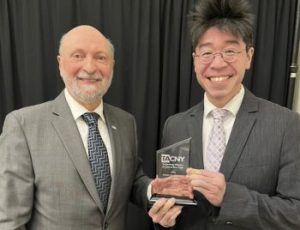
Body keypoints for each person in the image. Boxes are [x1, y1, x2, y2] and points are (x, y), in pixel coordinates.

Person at [0, 25, 178, 229]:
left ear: (112, 65)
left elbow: (131, 180)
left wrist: (152, 190)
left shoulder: (125, 122)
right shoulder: (24, 125)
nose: (90, 67)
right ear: (60, 63)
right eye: (78, 56)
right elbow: (10, 221)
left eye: (100, 57)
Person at [154, 0, 300, 229]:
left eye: (230, 51)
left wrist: (229, 197)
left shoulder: (286, 125)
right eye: (207, 52)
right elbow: (172, 203)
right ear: (195, 60)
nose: (218, 63)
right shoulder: (175, 126)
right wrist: (164, 220)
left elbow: (295, 213)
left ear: (249, 56)